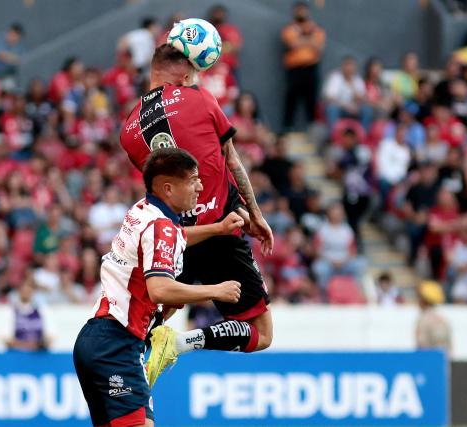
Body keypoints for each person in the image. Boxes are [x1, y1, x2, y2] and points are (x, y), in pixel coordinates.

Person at [119, 43, 274, 378]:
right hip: (219, 229)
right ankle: (180, 343)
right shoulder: (200, 98)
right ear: (185, 73)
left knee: (161, 309)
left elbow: (162, 190)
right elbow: (229, 160)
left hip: (175, 237)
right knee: (261, 334)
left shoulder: (129, 131)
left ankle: (125, 363)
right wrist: (255, 215)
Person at [73, 148, 246, 427]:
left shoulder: (144, 210)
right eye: (192, 180)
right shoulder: (160, 227)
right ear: (168, 187)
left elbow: (173, 236)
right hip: (117, 344)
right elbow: (160, 290)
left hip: (98, 339)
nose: (200, 187)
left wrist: (218, 228)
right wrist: (215, 290)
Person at [281, 1, 326, 130]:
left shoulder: (317, 28)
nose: (300, 13)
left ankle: (312, 129)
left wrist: (301, 39)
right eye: (298, 10)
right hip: (294, 69)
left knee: (311, 100)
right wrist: (310, 41)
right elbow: (292, 44)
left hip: (311, 68)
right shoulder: (289, 28)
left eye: (303, 10)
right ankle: (287, 128)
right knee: (291, 99)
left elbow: (319, 47)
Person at [415, 280, 451, 354]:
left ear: (424, 300)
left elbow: (422, 346)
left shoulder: (423, 320)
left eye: (419, 297)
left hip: (429, 362)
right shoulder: (443, 320)